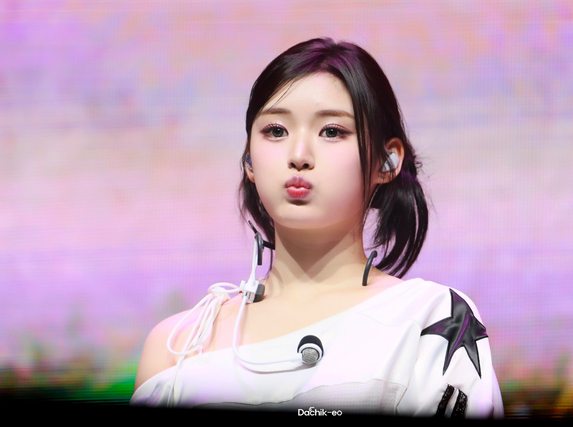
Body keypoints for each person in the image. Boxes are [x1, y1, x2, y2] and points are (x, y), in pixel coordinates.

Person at [130, 37, 503, 418]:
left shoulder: (431, 321)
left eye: (332, 131)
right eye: (276, 131)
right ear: (249, 161)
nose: (298, 156)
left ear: (386, 160)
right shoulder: (179, 345)